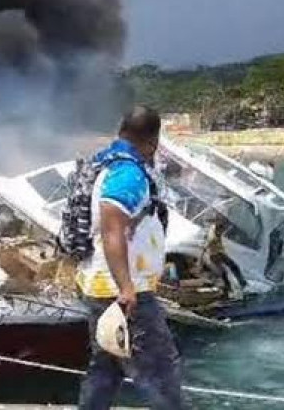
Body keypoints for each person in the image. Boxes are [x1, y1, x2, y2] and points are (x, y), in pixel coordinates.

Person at [77, 106, 183, 410]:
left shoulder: (105, 164)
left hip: (101, 287)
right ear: (153, 140)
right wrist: (126, 288)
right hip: (124, 292)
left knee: (106, 370)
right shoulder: (127, 173)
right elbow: (113, 228)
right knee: (161, 372)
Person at [203, 217, 247, 300]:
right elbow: (205, 247)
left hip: (220, 253)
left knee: (234, 266)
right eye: (220, 232)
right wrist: (200, 260)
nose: (221, 233)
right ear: (218, 230)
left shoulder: (215, 227)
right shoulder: (212, 238)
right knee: (224, 272)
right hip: (214, 255)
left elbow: (215, 221)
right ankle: (227, 290)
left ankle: (242, 283)